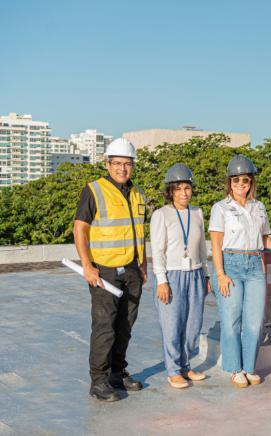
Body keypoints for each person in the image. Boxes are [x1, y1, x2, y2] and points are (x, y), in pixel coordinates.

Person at [73, 138, 147, 402]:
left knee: (126, 325)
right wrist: (87, 265)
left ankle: (117, 372)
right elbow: (80, 228)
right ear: (107, 164)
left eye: (127, 164)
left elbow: (139, 231)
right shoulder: (94, 190)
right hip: (103, 271)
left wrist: (143, 263)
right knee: (105, 327)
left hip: (131, 271)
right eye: (117, 163)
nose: (122, 168)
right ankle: (99, 381)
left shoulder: (138, 193)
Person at [209, 155, 271, 388]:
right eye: (236, 180)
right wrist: (220, 273)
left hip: (255, 266)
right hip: (230, 264)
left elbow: (264, 238)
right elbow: (216, 243)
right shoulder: (220, 208)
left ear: (251, 182)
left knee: (254, 322)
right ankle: (235, 368)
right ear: (229, 182)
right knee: (232, 320)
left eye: (246, 180)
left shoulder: (258, 207)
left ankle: (249, 366)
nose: (241, 184)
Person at [150, 164, 210, 389]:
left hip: (195, 273)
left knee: (193, 324)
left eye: (187, 187)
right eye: (179, 188)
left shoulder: (197, 213)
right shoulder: (161, 214)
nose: (184, 193)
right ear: (171, 191)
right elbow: (157, 250)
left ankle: (186, 365)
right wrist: (162, 280)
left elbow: (202, 247)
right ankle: (174, 370)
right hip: (172, 275)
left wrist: (206, 274)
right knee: (172, 324)